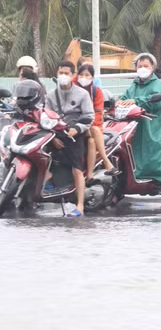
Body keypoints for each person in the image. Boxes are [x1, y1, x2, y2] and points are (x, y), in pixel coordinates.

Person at [118, 53, 161, 209]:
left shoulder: (159, 85)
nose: (142, 68)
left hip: (155, 126)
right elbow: (124, 97)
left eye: (146, 66)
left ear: (153, 67)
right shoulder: (135, 85)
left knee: (160, 156)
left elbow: (156, 100)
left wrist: (137, 101)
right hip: (137, 126)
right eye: (140, 66)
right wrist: (118, 102)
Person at [46, 61, 95, 217]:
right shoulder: (50, 95)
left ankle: (80, 206)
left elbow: (89, 116)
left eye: (66, 73)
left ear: (73, 75)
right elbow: (45, 117)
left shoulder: (82, 94)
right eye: (61, 73)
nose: (63, 76)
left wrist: (77, 129)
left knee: (77, 169)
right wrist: (53, 138)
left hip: (74, 135)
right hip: (54, 134)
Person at [76, 63, 118, 180]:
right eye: (81, 75)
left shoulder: (96, 91)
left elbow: (98, 116)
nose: (84, 77)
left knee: (91, 141)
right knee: (94, 131)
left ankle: (89, 174)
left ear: (92, 77)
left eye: (87, 75)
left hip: (92, 126)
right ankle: (106, 161)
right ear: (77, 75)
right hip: (76, 125)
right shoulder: (72, 88)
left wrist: (89, 124)